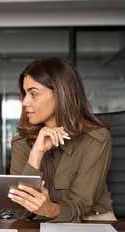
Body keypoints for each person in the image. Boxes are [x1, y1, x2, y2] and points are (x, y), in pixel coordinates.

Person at [8, 56, 116, 222]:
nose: (24, 102)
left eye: (33, 94)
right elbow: (21, 213)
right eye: (24, 94)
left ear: (60, 93)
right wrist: (36, 153)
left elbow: (81, 204)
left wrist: (50, 209)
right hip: (39, 223)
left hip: (92, 221)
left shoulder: (97, 139)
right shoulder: (21, 143)